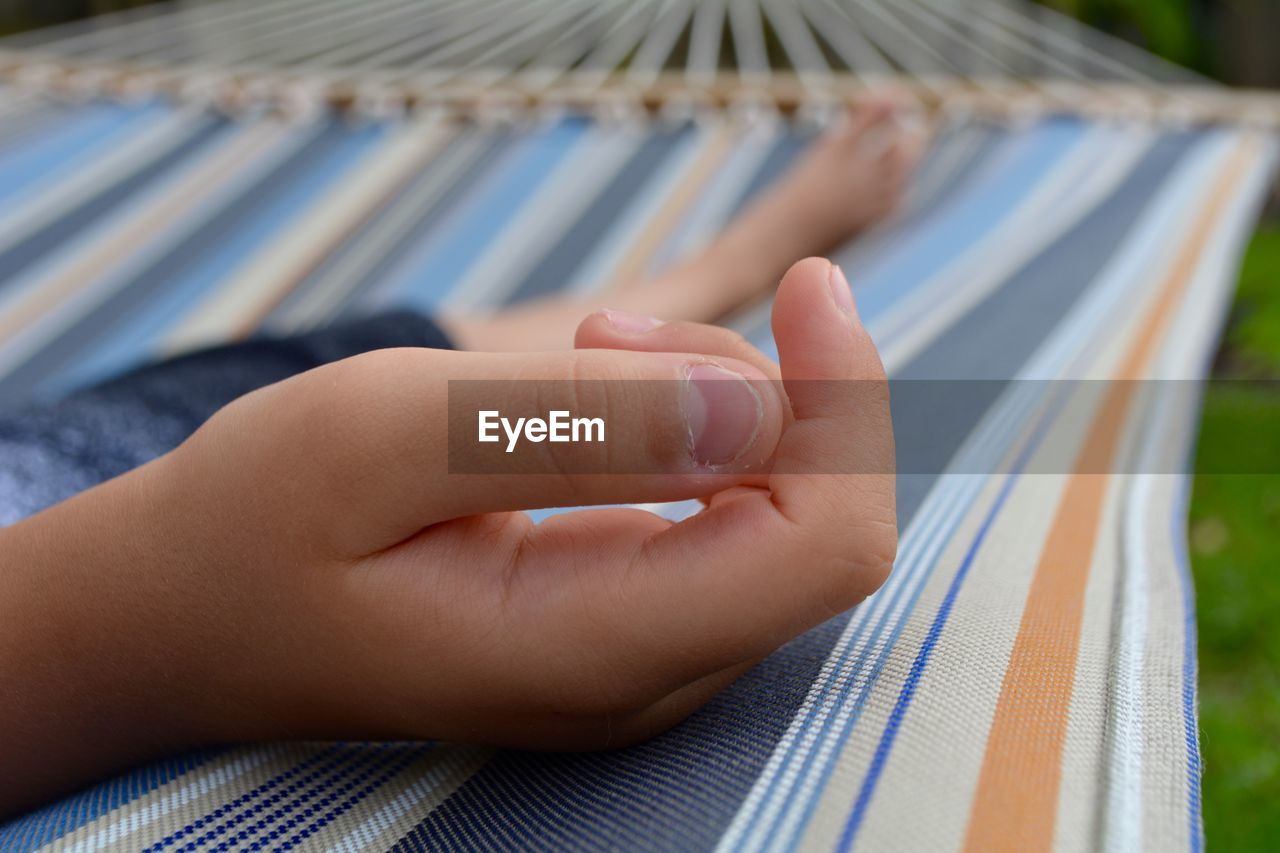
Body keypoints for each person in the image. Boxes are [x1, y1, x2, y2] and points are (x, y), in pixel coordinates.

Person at [0, 102, 920, 818]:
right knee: (387, 388)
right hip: (105, 524)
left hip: (95, 428)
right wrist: (147, 618)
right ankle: (728, 264)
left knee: (395, 359)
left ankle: (724, 265)